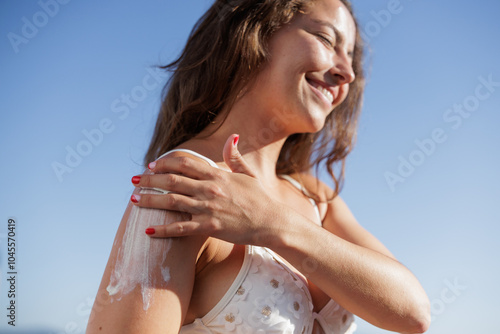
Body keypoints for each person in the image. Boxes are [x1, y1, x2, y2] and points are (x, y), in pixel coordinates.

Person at [87, 0, 431, 333]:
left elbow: (413, 314)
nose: (348, 72)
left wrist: (270, 221)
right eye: (327, 39)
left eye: (351, 56)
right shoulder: (184, 185)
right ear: (256, 31)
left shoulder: (316, 199)